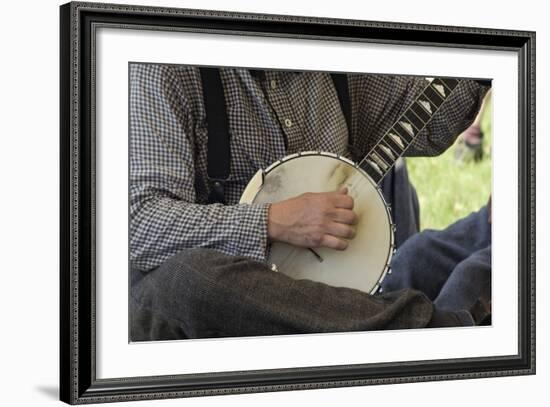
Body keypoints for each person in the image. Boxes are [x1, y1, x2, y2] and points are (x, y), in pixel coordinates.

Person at [129, 64, 490, 340]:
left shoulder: (334, 65)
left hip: (325, 300)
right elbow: (137, 224)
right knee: (185, 278)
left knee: (426, 254)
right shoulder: (163, 69)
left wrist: (484, 63)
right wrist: (275, 220)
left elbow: (429, 128)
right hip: (202, 310)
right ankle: (429, 332)